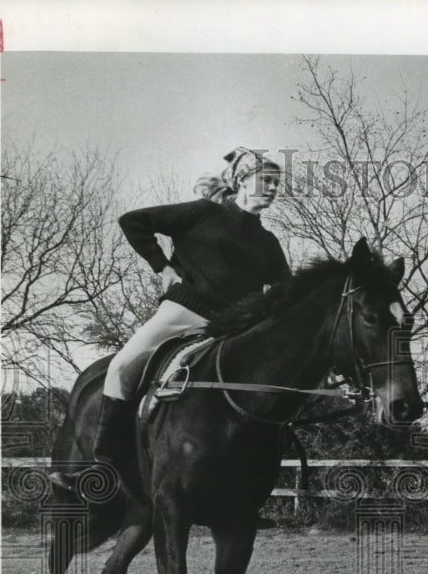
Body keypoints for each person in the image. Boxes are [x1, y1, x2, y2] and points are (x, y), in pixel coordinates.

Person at [50, 148, 291, 496]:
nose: (272, 187)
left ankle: (241, 496)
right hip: (182, 315)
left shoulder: (268, 243)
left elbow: (286, 293)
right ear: (241, 179)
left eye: (276, 182)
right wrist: (162, 266)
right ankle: (101, 469)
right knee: (121, 367)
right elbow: (133, 221)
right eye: (265, 179)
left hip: (232, 332)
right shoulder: (203, 214)